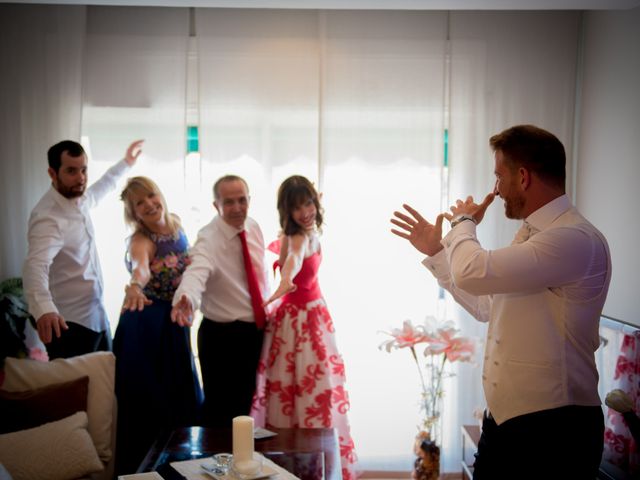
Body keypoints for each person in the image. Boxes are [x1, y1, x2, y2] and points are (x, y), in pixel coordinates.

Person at [391, 125, 611, 479]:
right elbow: (487, 306)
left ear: (522, 177)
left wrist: (464, 221)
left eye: (499, 176)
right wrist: (437, 251)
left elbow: (474, 271)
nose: (495, 190)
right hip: (508, 425)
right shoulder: (533, 237)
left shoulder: (573, 239)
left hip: (554, 430)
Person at [251, 175, 357, 480]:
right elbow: (294, 258)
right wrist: (286, 278)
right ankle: (301, 466)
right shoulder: (296, 237)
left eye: (308, 202)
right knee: (302, 393)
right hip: (297, 324)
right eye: (297, 207)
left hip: (313, 317)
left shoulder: (311, 230)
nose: (305, 211)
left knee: (310, 392)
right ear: (287, 211)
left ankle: (310, 464)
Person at [112, 176, 203, 475]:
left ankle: (184, 466)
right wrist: (134, 286)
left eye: (151, 196)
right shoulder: (141, 240)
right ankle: (147, 470)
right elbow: (140, 269)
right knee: (150, 403)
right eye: (140, 203)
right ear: (134, 213)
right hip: (146, 325)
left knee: (181, 399)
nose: (149, 204)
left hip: (174, 322)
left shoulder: (177, 224)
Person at [23, 139, 143, 359]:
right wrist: (44, 309)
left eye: (84, 170)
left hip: (96, 316)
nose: (80, 178)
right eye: (71, 171)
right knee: (78, 389)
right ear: (52, 173)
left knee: (106, 382)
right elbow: (35, 266)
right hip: (69, 325)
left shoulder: (81, 197)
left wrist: (126, 163)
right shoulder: (47, 218)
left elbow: (103, 185)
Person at [171, 175, 267, 428]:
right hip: (222, 337)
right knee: (221, 413)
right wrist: (187, 297)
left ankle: (246, 465)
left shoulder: (254, 227)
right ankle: (216, 466)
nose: (237, 208)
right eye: (229, 202)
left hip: (255, 331)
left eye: (242, 200)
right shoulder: (208, 238)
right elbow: (196, 272)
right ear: (216, 205)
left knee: (250, 409)